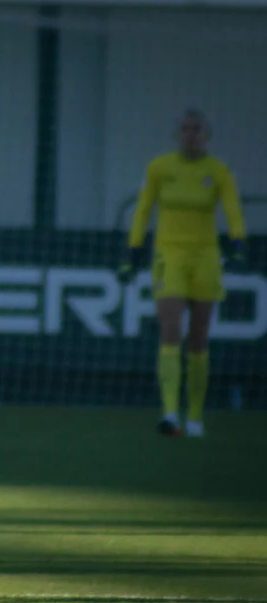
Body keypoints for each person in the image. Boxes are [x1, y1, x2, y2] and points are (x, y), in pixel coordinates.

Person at [118, 109, 246, 437]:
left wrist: (238, 242)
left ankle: (195, 416)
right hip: (169, 256)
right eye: (185, 129)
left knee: (199, 339)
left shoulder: (218, 171)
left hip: (205, 258)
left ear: (207, 135)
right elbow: (143, 208)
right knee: (170, 331)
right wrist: (133, 249)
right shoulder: (159, 167)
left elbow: (232, 208)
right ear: (176, 135)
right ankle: (170, 413)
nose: (190, 135)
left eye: (196, 129)